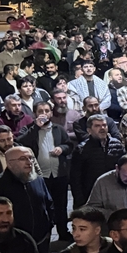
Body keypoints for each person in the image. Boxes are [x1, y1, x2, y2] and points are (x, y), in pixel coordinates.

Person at [16, 101, 73, 243]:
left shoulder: (58, 129)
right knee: (42, 206)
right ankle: (45, 234)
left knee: (61, 205)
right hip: (40, 176)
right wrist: (36, 127)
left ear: (51, 113)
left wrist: (62, 149)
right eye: (40, 111)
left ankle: (63, 232)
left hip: (59, 174)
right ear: (34, 114)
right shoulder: (29, 129)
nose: (44, 114)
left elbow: (69, 145)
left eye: (47, 111)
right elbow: (20, 143)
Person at [69, 115, 125, 209]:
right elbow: (75, 179)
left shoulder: (117, 145)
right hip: (91, 197)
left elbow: (124, 170)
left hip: (114, 195)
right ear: (89, 130)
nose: (102, 128)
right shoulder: (81, 149)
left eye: (104, 125)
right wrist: (81, 203)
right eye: (97, 126)